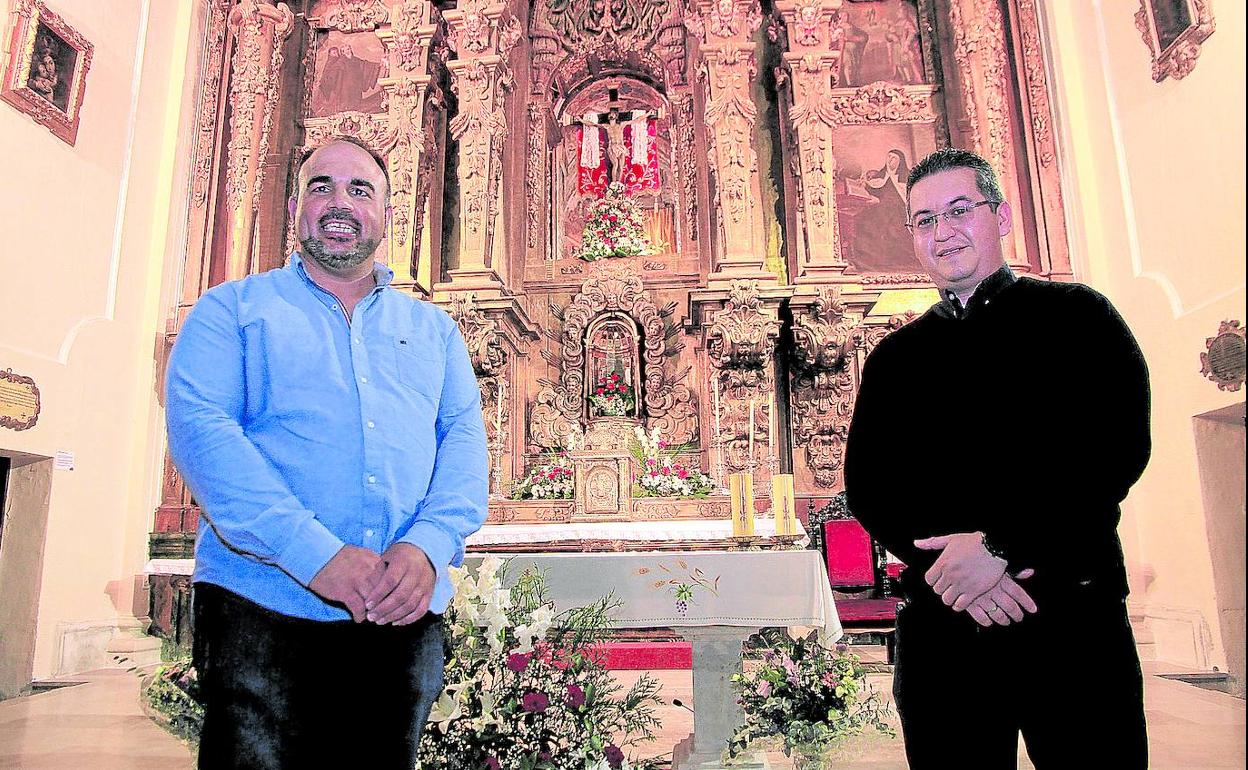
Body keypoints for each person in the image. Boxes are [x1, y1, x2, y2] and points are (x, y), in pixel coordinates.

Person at [166, 137, 488, 768]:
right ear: (295, 207)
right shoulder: (231, 310)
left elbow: (463, 442)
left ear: (387, 215)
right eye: (322, 186)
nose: (340, 202)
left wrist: (427, 546)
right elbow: (204, 433)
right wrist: (316, 555)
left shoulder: (434, 331)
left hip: (400, 610)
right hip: (261, 604)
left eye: (359, 189)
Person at [844, 147, 1150, 767]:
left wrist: (1001, 548)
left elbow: (1113, 449)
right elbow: (872, 486)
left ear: (1001, 216)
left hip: (1069, 611)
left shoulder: (1078, 315)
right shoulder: (895, 358)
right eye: (925, 220)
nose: (943, 232)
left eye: (960, 210)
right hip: (945, 626)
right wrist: (956, 573)